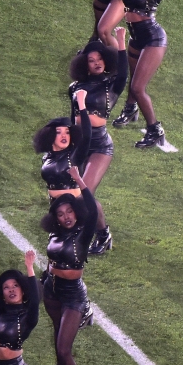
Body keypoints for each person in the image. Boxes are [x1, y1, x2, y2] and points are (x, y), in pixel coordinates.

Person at [39, 167, 99, 365]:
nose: (66, 217)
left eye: (70, 211)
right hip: (52, 289)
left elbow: (93, 210)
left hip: (74, 295)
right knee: (57, 337)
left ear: (76, 212)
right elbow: (51, 260)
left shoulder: (83, 234)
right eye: (61, 213)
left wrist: (79, 181)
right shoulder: (55, 232)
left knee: (64, 349)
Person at [101, 0, 172, 148]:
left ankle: (155, 130)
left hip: (153, 39)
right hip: (135, 37)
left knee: (138, 87)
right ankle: (130, 110)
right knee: (134, 80)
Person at [68, 31, 129, 254]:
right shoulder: (74, 87)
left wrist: (121, 41)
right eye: (91, 60)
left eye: (99, 59)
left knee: (85, 194)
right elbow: (71, 117)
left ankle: (103, 235)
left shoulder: (111, 84)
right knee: (76, 193)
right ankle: (96, 232)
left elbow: (124, 72)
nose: (96, 63)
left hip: (100, 145)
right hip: (79, 143)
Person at [34, 91, 91, 200]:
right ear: (50, 136)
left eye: (67, 132)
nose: (64, 135)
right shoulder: (47, 157)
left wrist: (81, 105)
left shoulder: (75, 155)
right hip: (56, 208)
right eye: (59, 132)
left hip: (74, 209)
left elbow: (87, 135)